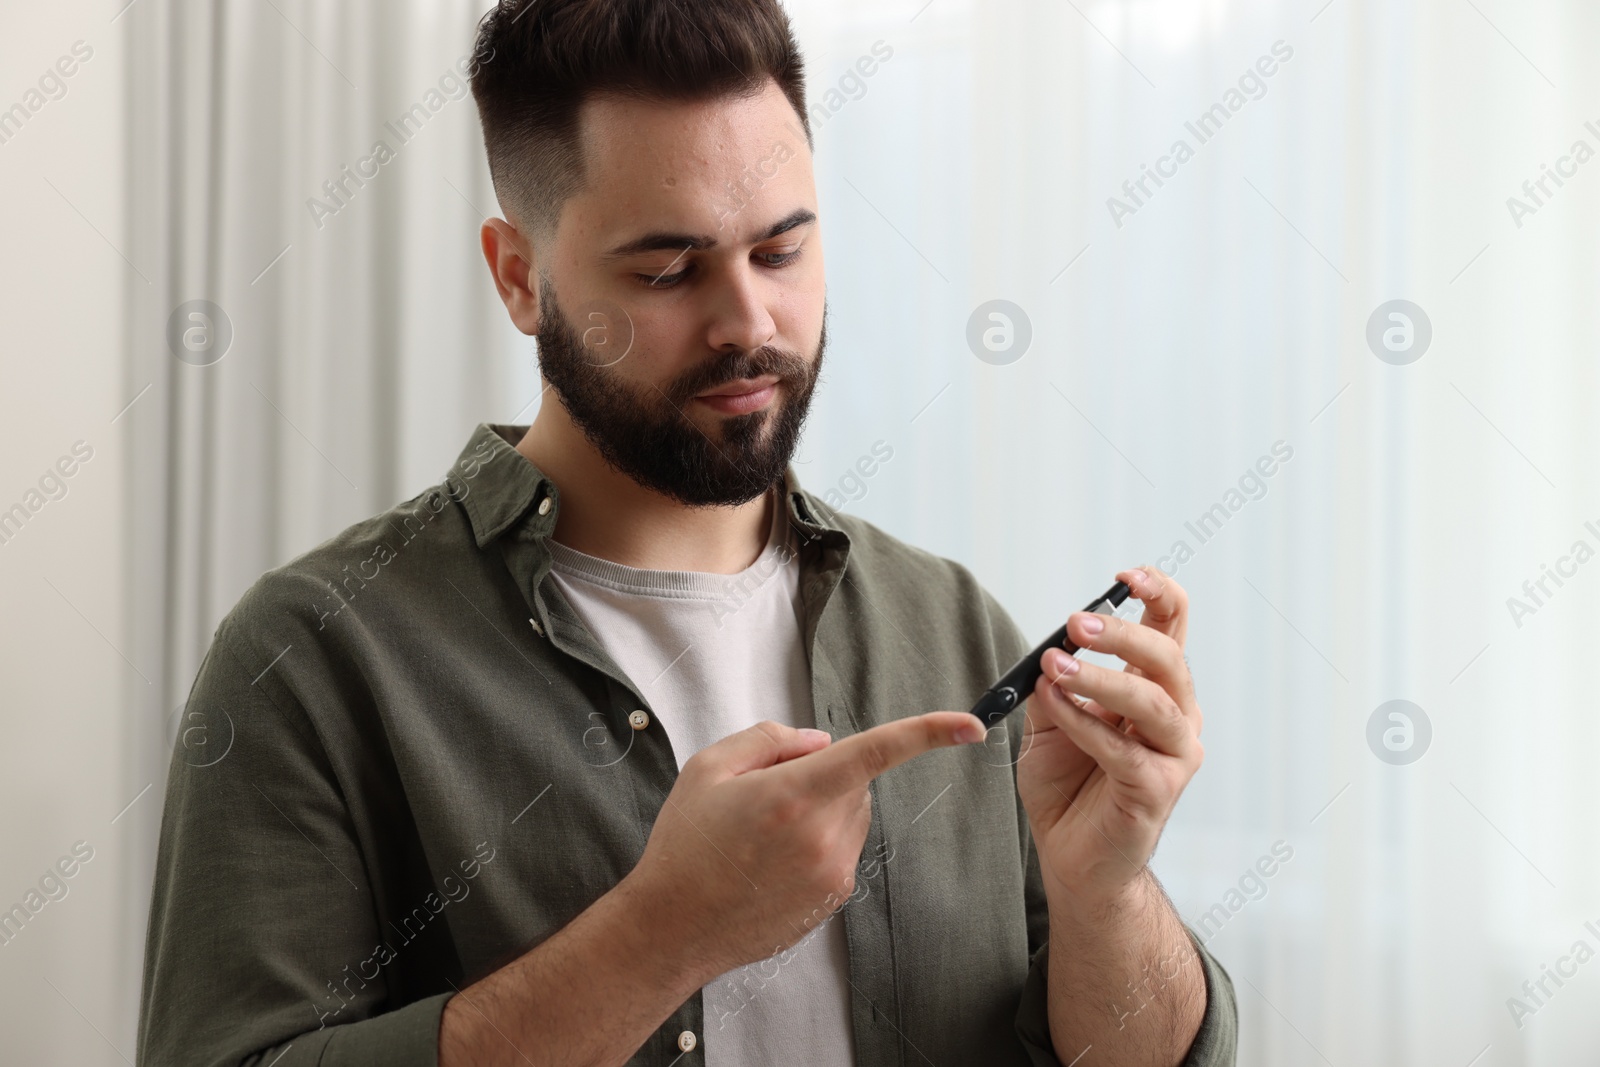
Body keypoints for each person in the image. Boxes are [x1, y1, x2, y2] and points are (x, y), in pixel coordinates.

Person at [136, 1, 1238, 1064]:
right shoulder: (313, 656)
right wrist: (665, 930)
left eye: (782, 251)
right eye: (667, 270)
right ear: (520, 277)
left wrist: (1109, 893)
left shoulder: (944, 623)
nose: (748, 323)